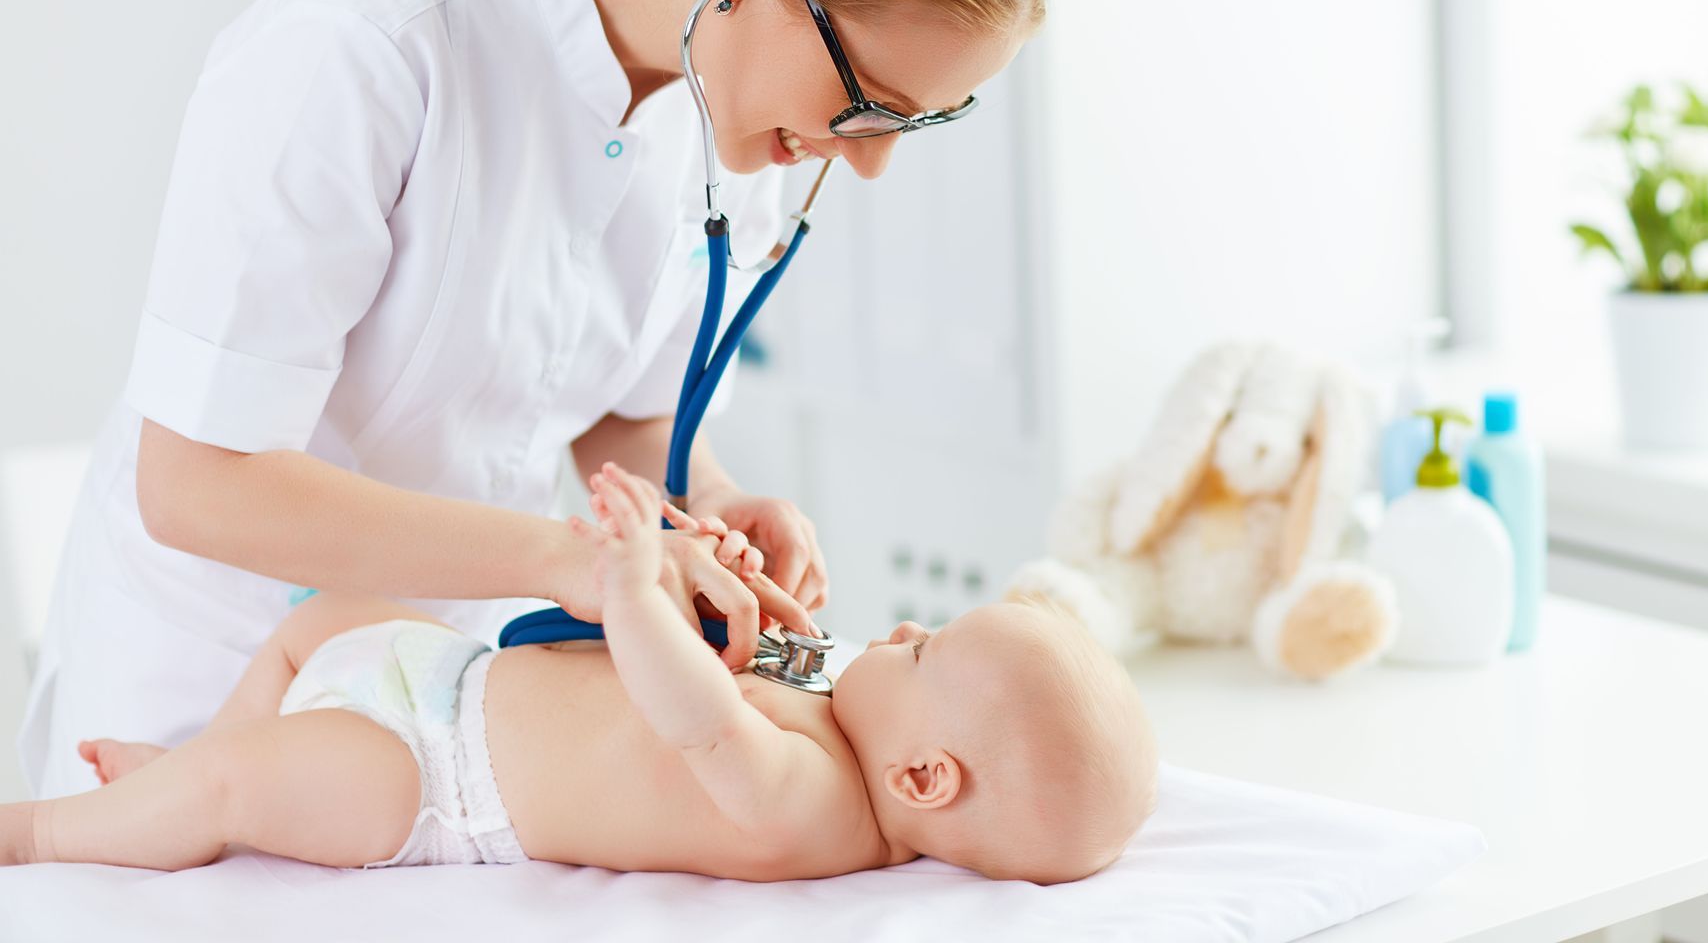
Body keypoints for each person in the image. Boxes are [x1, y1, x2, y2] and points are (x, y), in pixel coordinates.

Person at [19, 0, 1048, 800]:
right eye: (866, 108)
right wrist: (569, 561)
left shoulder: (737, 91)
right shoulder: (369, 38)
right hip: (194, 703)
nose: (868, 164)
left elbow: (620, 408)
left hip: (432, 715)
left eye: (910, 124)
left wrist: (709, 499)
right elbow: (197, 484)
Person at [1, 463, 1158, 884]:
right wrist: (724, 565)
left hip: (434, 778)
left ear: (924, 778)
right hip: (444, 672)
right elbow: (733, 665)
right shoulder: (847, 716)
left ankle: (52, 830)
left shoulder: (821, 807)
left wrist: (638, 586)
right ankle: (178, 766)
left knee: (247, 782)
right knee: (317, 623)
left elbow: (699, 718)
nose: (900, 625)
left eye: (930, 645)